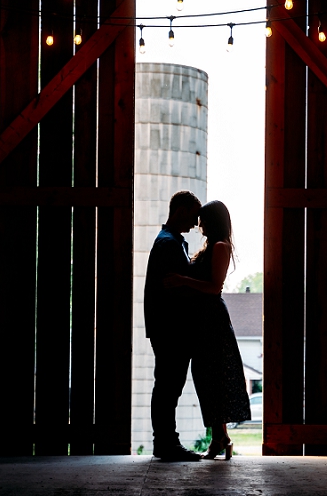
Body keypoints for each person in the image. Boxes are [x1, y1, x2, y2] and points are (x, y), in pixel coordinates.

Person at [165, 200, 251, 460]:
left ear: (212, 221)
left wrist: (182, 280)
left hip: (212, 320)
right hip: (202, 320)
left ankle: (219, 439)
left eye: (202, 219)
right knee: (206, 378)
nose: (198, 224)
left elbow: (214, 287)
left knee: (213, 378)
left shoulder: (221, 247)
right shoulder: (209, 247)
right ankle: (221, 437)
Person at [143, 190, 203, 461]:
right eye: (192, 216)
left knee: (169, 386)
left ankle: (166, 441)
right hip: (171, 329)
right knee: (168, 386)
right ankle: (166, 443)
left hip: (168, 328)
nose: (195, 223)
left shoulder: (171, 241)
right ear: (180, 211)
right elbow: (173, 291)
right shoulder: (168, 244)